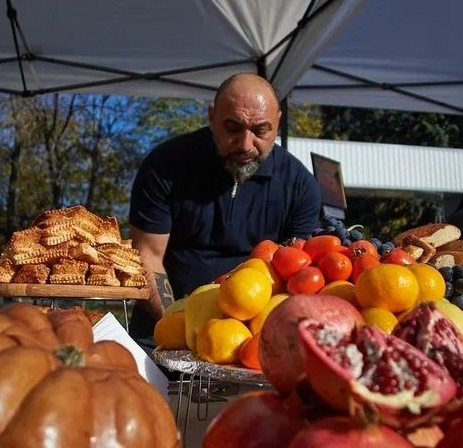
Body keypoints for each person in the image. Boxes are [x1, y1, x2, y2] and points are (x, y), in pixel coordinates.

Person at [129, 73, 321, 339]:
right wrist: (178, 324)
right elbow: (147, 255)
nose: (245, 145)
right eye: (232, 127)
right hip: (162, 333)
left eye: (260, 130)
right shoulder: (165, 166)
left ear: (278, 122)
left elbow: (296, 275)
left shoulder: (300, 186)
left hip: (251, 342)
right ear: (211, 117)